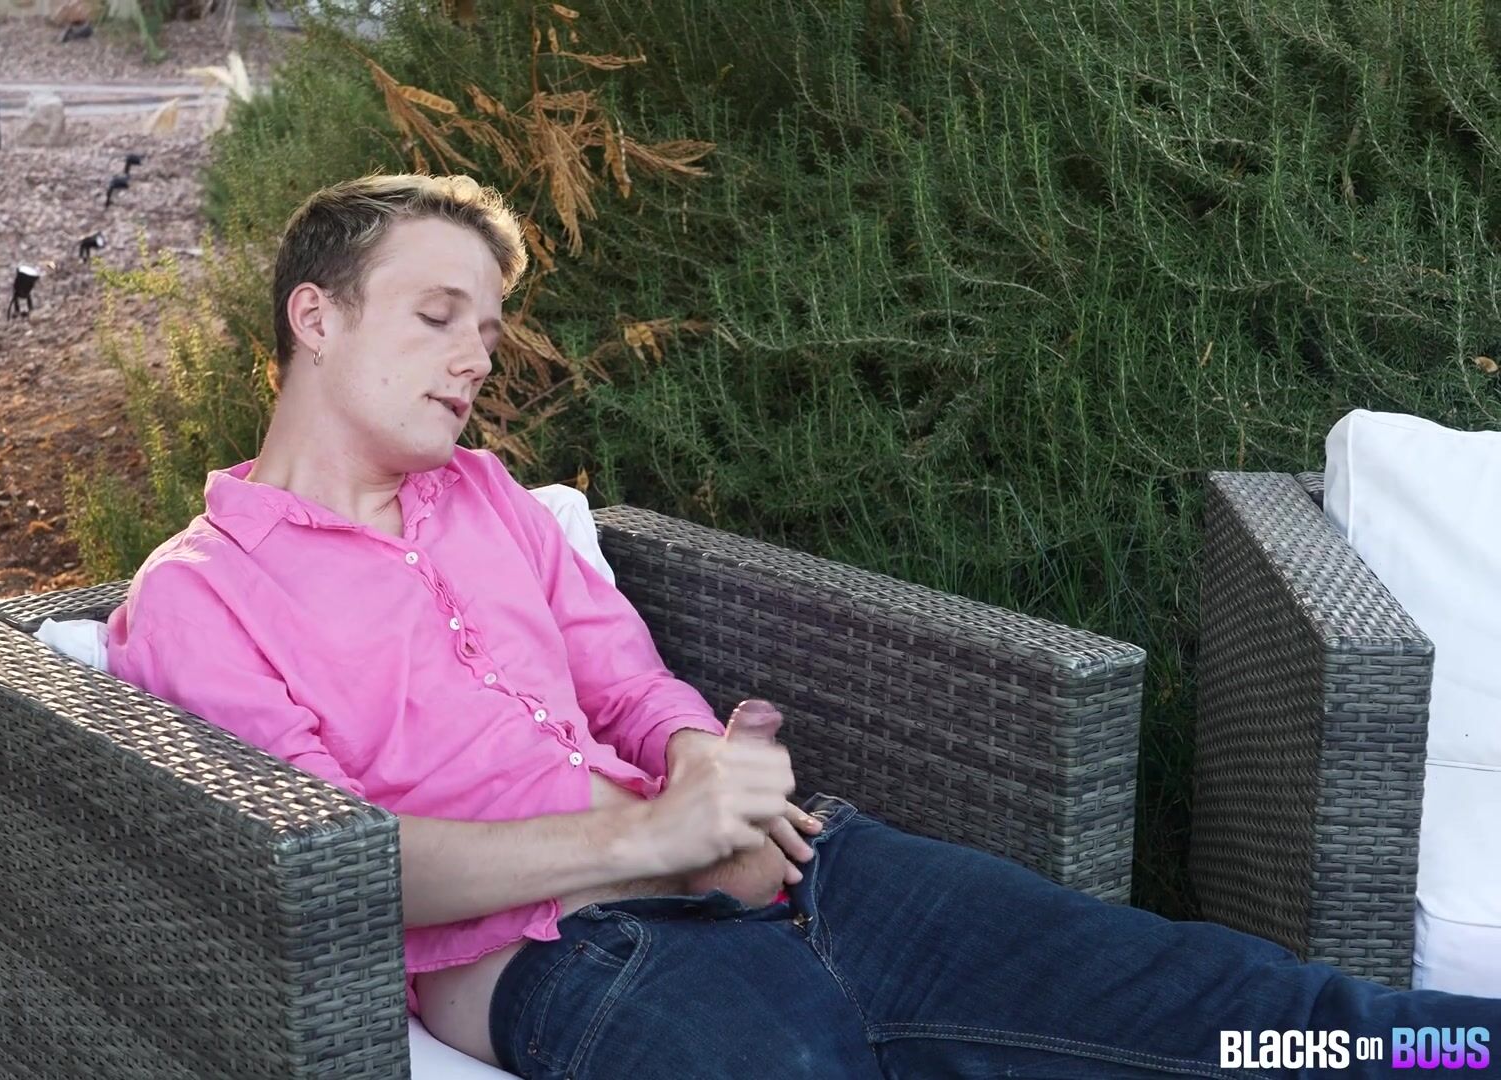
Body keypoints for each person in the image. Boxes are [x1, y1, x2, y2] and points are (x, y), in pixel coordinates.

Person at [105, 173, 1497, 1079]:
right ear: (317, 318)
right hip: (586, 960)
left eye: (493, 324)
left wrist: (705, 759)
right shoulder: (202, 596)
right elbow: (341, 871)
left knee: (1260, 1017)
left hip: (808, 873)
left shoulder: (488, 499)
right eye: (438, 315)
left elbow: (627, 682)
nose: (479, 355)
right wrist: (646, 836)